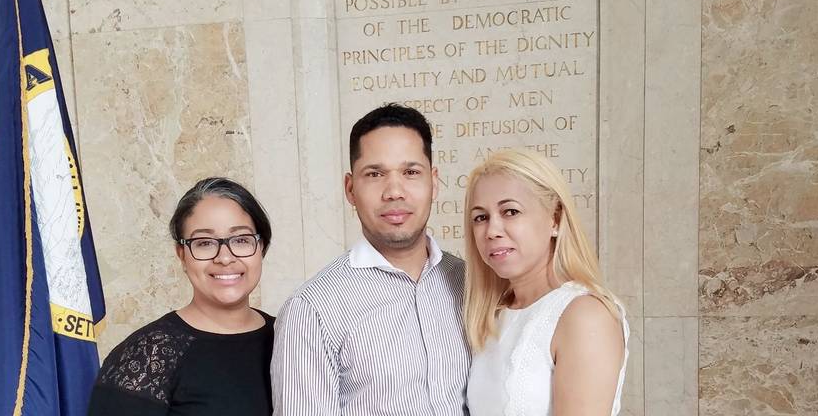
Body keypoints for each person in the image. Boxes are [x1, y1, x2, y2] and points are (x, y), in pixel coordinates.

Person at [271, 103, 469, 415]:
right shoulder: (312, 309)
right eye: (375, 174)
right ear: (350, 189)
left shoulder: (469, 283)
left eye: (411, 172)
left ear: (434, 182)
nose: (394, 191)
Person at [88, 178, 275, 415]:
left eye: (240, 240)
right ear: (182, 255)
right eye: (205, 243)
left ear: (262, 248)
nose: (225, 258)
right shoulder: (146, 355)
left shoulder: (291, 337)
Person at [464, 149, 629, 416]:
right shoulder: (490, 315)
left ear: (555, 219)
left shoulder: (583, 315)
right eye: (481, 217)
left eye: (510, 211)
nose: (492, 231)